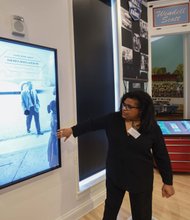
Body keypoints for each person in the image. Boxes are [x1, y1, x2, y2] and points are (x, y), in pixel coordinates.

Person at [57, 90, 175, 220]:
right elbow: (92, 124)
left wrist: (167, 181)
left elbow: (161, 155)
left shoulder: (152, 128)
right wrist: (72, 130)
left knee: (142, 213)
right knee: (110, 210)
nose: (124, 109)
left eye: (129, 107)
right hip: (116, 175)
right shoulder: (113, 119)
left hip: (141, 178)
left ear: (142, 109)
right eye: (123, 105)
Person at [47, 88, 58, 167]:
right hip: (54, 135)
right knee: (52, 151)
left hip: (54, 135)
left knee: (52, 151)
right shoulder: (54, 115)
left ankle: (53, 163)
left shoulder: (54, 114)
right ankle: (53, 163)